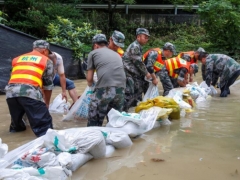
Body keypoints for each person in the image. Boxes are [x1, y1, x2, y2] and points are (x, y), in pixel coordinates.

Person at [5, 40, 54, 137]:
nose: (48, 54)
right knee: (45, 129)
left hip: (10, 94)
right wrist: (46, 103)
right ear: (45, 51)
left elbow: (13, 76)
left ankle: (14, 142)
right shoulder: (46, 60)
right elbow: (48, 85)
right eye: (48, 52)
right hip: (29, 93)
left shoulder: (17, 59)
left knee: (17, 126)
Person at [86, 34, 126, 126]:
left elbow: (89, 79)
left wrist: (91, 86)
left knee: (94, 123)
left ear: (95, 45)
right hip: (121, 89)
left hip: (106, 88)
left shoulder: (93, 53)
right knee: (114, 122)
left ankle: (94, 138)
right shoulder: (117, 54)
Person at [122, 28, 151, 111]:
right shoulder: (135, 46)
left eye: (147, 37)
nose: (147, 39)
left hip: (132, 73)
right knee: (129, 93)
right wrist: (146, 73)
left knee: (137, 91)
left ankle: (132, 110)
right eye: (145, 37)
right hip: (128, 73)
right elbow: (138, 62)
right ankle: (123, 112)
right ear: (138, 37)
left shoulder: (137, 46)